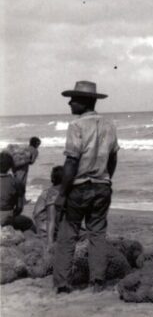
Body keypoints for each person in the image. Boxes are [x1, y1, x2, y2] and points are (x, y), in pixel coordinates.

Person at [53, 80, 119, 294]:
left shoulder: (76, 126)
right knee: (97, 234)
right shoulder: (109, 124)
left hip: (79, 187)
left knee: (68, 234)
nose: (70, 103)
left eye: (73, 100)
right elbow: (113, 158)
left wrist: (62, 193)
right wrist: (107, 179)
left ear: (84, 102)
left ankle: (63, 284)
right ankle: (97, 281)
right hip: (102, 186)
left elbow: (71, 162)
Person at [0, 151, 37, 232]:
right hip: (6, 217)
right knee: (29, 223)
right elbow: (19, 207)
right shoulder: (16, 182)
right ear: (10, 166)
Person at [32, 165, 63, 247]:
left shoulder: (53, 190)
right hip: (45, 230)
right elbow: (50, 219)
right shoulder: (53, 194)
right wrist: (50, 244)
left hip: (45, 225)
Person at [7, 136, 41, 204]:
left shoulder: (25, 147)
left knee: (15, 182)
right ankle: (22, 201)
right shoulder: (35, 150)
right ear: (37, 144)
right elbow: (31, 162)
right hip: (23, 168)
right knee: (22, 184)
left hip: (15, 166)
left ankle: (14, 199)